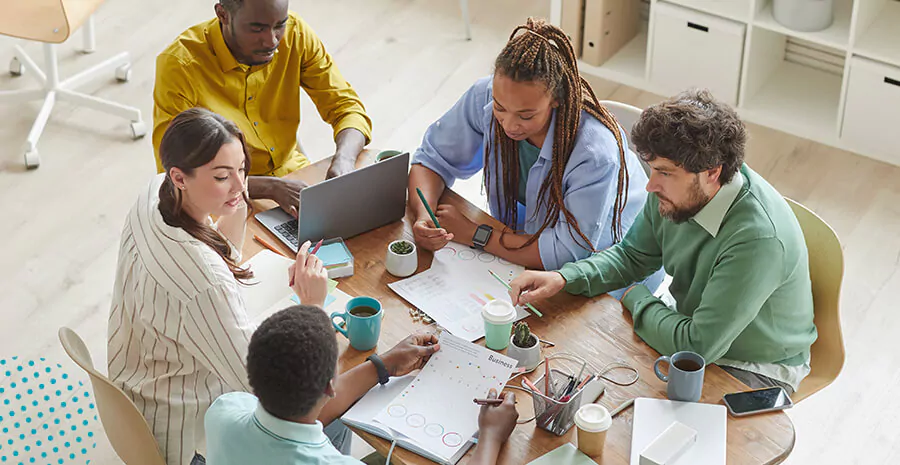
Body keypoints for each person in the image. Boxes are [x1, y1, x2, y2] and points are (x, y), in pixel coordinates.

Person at [107, 108, 432, 465]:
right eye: (221, 176)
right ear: (180, 177)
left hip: (138, 383)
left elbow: (223, 251)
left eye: (242, 169)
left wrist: (234, 199)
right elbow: (279, 397)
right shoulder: (204, 284)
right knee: (338, 414)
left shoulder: (154, 191)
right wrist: (312, 307)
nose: (240, 185)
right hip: (183, 436)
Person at [507, 89, 818, 395]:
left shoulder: (758, 240)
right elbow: (631, 256)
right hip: (691, 327)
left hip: (753, 366)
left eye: (665, 173)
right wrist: (563, 277)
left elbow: (696, 346)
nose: (651, 184)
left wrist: (636, 298)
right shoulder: (678, 194)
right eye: (653, 169)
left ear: (712, 173)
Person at [410, 18, 655, 281]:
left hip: (607, 263)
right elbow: (431, 160)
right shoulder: (486, 94)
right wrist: (425, 217)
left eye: (526, 116)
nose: (509, 125)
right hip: (523, 241)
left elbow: (566, 252)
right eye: (500, 108)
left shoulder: (594, 153)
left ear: (557, 99)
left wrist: (475, 233)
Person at [205, 305, 519, 465]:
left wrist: (384, 364)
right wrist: (490, 436)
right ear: (330, 386)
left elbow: (307, 416)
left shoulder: (224, 411)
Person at [153, 0, 372, 217]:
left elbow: (347, 107)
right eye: (257, 28)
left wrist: (344, 160)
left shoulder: (297, 34)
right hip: (220, 199)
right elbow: (173, 171)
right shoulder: (180, 66)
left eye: (280, 25)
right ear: (223, 15)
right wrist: (270, 188)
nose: (272, 41)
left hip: (293, 178)